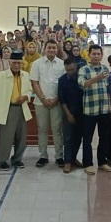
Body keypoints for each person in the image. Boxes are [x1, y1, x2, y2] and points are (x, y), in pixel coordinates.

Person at [0, 51, 33, 170]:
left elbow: (30, 90)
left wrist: (25, 97)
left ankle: (17, 159)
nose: (16, 65)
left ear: (22, 64)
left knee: (21, 137)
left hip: (22, 108)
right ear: (9, 63)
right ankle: (2, 160)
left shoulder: (25, 75)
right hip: (8, 109)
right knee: (6, 137)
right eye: (14, 62)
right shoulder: (1, 75)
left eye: (19, 63)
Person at [30, 40, 66, 168]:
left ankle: (59, 156)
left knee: (57, 129)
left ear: (57, 49)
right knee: (42, 129)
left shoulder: (62, 64)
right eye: (49, 47)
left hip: (57, 102)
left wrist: (56, 99)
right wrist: (43, 99)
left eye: (53, 48)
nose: (51, 50)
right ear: (45, 49)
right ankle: (43, 156)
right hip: (41, 103)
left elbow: (64, 85)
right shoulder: (37, 64)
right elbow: (35, 83)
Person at [78, 45, 111, 174]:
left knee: (104, 137)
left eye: (98, 54)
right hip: (90, 110)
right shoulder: (84, 69)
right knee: (87, 138)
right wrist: (97, 78)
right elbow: (83, 84)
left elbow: (108, 88)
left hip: (105, 109)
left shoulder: (105, 69)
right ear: (89, 55)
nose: (96, 56)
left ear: (102, 55)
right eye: (94, 54)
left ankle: (102, 162)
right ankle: (88, 163)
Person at [59, 57, 84, 173]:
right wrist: (68, 114)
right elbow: (62, 99)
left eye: (72, 69)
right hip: (68, 111)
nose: (70, 72)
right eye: (67, 70)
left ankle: (73, 158)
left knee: (78, 137)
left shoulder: (81, 78)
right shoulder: (62, 80)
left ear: (76, 67)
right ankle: (67, 162)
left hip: (82, 112)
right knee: (68, 137)